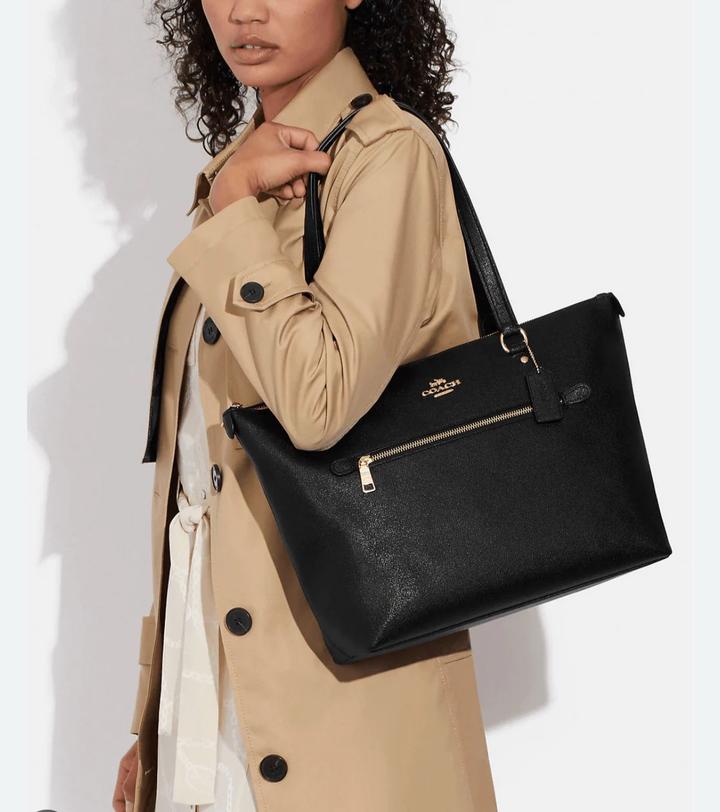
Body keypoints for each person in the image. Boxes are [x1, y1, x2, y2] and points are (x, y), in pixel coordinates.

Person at [114, 1, 498, 810]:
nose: (243, 11)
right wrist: (157, 721)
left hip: (345, 724)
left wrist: (232, 211)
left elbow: (318, 404)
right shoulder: (239, 172)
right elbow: (198, 479)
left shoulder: (387, 157)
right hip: (216, 711)